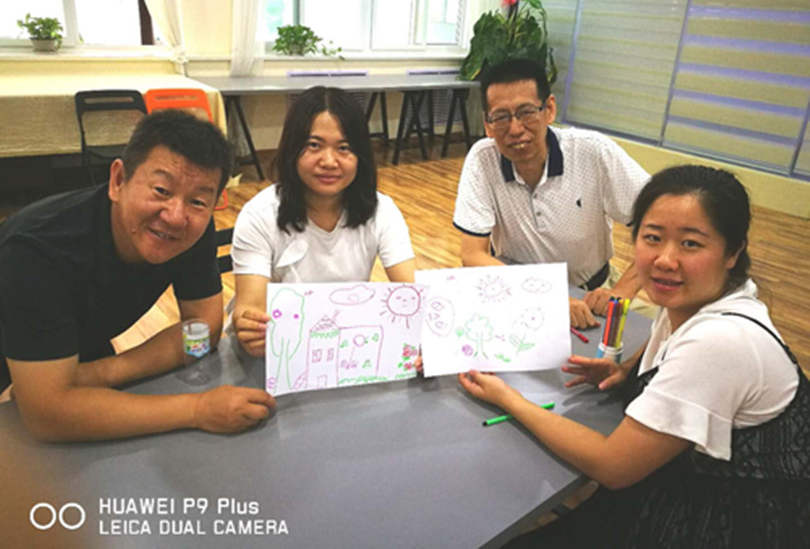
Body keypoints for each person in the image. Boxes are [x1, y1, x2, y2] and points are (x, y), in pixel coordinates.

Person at [458, 165, 810, 547]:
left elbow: (613, 466)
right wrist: (627, 371)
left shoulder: (720, 341)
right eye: (653, 238)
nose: (665, 260)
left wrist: (508, 398)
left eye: (691, 244)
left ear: (733, 251)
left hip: (729, 516)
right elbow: (671, 343)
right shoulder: (700, 300)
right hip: (681, 478)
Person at [0, 110, 275, 442]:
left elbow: (205, 329)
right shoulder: (36, 249)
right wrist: (197, 409)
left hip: (82, 354)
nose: (175, 216)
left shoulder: (192, 231)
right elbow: (47, 415)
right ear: (118, 181)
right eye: (161, 190)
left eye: (198, 201)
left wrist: (102, 372)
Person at [453, 58, 651, 328]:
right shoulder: (482, 159)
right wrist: (548, 298)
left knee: (659, 339)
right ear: (487, 124)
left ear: (549, 109)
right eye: (500, 117)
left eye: (526, 112)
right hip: (518, 293)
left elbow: (662, 225)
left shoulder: (593, 151)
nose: (515, 129)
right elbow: (472, 254)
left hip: (593, 291)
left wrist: (621, 292)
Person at [231, 86, 416, 357]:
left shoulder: (382, 211)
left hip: (346, 346)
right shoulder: (259, 215)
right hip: (284, 350)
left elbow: (412, 292)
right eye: (314, 146)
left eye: (344, 148)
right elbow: (250, 307)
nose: (329, 161)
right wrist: (250, 327)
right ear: (292, 149)